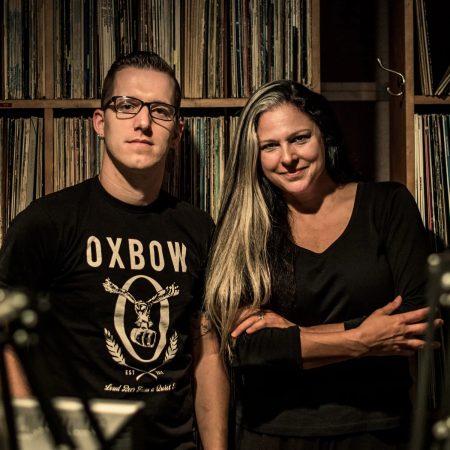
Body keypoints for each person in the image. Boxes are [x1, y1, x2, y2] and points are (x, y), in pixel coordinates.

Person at [0, 51, 228, 449]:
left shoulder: (198, 229)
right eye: (127, 106)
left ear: (176, 132)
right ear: (100, 122)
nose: (143, 122)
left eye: (160, 110)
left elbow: (207, 349)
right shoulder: (47, 222)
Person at [204, 79, 438, 450]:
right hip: (269, 434)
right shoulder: (243, 227)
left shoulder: (387, 205)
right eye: (270, 146)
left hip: (375, 431)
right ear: (255, 155)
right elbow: (248, 349)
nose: (287, 157)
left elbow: (415, 321)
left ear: (323, 134)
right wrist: (361, 339)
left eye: (299, 138)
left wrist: (294, 334)